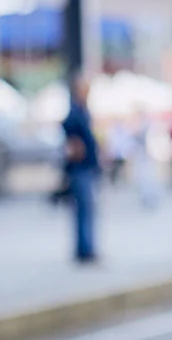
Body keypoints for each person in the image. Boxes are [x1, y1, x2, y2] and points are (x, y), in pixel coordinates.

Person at [62, 74, 101, 263]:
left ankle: (86, 248)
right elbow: (69, 132)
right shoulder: (75, 113)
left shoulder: (82, 111)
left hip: (86, 167)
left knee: (86, 210)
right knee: (85, 209)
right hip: (80, 168)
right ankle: (85, 250)